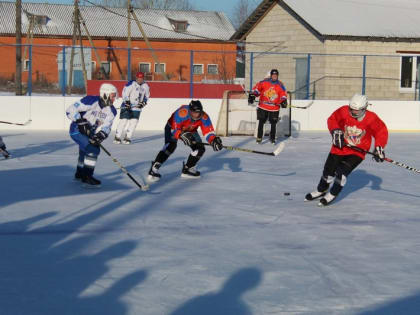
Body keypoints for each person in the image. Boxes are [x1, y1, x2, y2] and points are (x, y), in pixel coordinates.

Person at [305, 93, 388, 206]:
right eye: (352, 109)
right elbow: (332, 119)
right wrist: (335, 131)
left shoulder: (371, 118)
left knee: (341, 173)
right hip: (339, 147)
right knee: (328, 171)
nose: (353, 112)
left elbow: (381, 131)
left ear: (364, 108)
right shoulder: (344, 111)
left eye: (357, 111)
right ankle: (321, 190)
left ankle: (333, 193)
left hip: (357, 152)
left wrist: (379, 147)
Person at [147, 100, 223, 182]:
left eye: (198, 112)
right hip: (172, 127)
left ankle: (188, 169)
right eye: (194, 112)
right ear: (190, 111)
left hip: (191, 130)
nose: (197, 115)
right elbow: (175, 129)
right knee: (170, 146)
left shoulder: (204, 116)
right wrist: (181, 135)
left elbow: (208, 131)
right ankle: (154, 169)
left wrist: (213, 140)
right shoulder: (181, 113)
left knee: (200, 149)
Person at [66, 83, 118, 187]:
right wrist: (80, 121)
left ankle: (80, 173)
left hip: (91, 133)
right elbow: (70, 110)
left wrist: (101, 134)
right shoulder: (90, 100)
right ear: (105, 94)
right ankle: (87, 177)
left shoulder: (112, 111)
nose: (114, 99)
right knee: (93, 149)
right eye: (113, 96)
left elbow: (107, 126)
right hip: (76, 130)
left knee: (84, 152)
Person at [248, 69, 288, 144]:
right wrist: (253, 94)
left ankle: (272, 138)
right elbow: (257, 89)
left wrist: (283, 101)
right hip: (263, 106)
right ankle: (259, 138)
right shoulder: (264, 82)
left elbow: (283, 94)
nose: (274, 76)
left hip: (274, 108)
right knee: (261, 121)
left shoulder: (280, 85)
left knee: (273, 123)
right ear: (271, 75)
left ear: (277, 76)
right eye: (273, 75)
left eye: (276, 75)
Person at [114, 71, 150, 144]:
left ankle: (127, 137)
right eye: (138, 78)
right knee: (124, 120)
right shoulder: (131, 84)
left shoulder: (146, 86)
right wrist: (127, 102)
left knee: (134, 122)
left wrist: (143, 103)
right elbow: (125, 93)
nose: (140, 80)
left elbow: (147, 96)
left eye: (141, 78)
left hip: (137, 108)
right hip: (127, 106)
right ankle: (117, 137)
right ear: (136, 78)